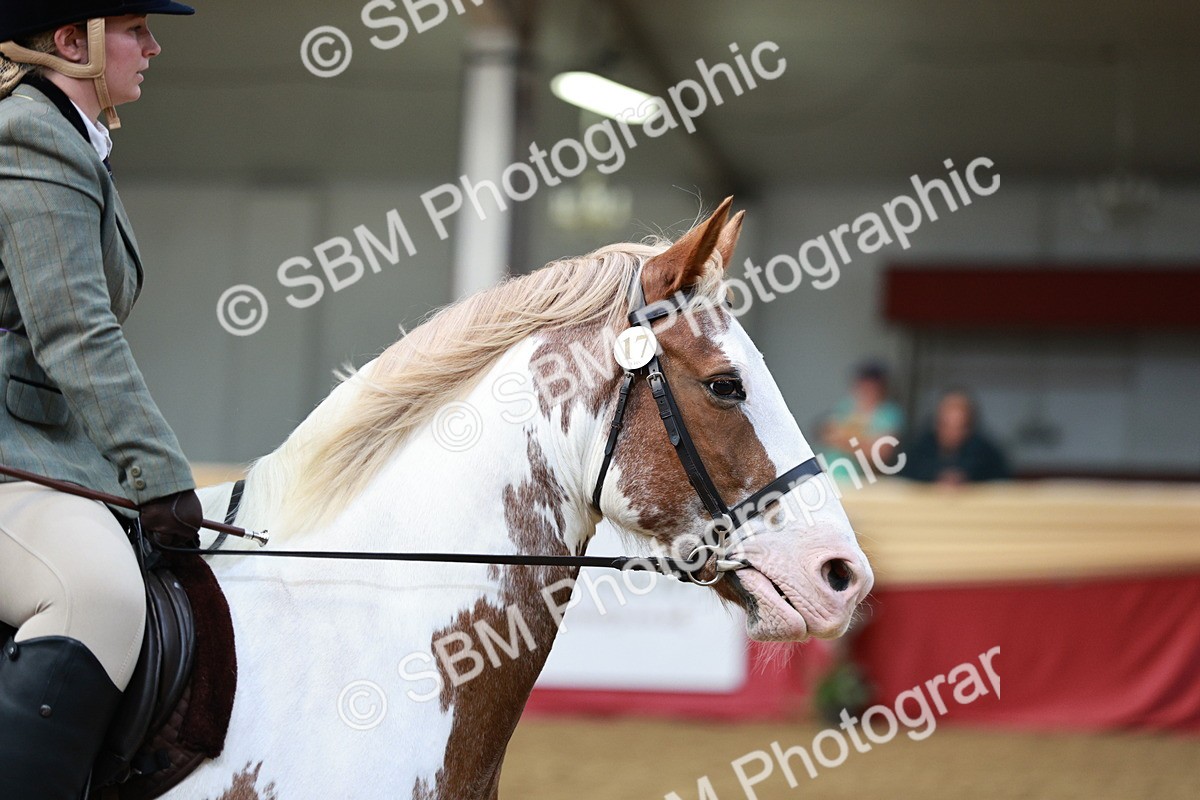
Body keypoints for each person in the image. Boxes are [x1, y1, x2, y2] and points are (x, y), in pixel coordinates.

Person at [0, 4, 204, 798]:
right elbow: (75, 330)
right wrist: (159, 475)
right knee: (97, 593)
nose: (153, 45)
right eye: (133, 28)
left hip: (38, 454)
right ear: (68, 41)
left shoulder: (70, 137)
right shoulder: (29, 132)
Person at [901, 388, 1011, 484]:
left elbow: (1001, 484)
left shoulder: (987, 453)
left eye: (961, 426)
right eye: (946, 424)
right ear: (937, 423)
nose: (953, 433)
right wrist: (934, 476)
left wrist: (967, 479)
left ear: (971, 426)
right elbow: (904, 480)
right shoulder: (918, 448)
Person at [818, 359, 904, 479]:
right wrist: (860, 443)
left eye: (870, 384)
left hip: (862, 481)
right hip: (831, 474)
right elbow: (825, 433)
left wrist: (844, 440)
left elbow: (881, 454)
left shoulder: (889, 414)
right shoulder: (846, 406)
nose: (865, 388)